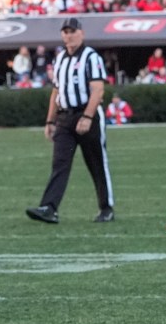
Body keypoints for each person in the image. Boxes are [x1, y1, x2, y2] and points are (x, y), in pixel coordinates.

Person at [26, 17, 115, 224]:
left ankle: (106, 207)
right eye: (65, 31)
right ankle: (49, 207)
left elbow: (98, 89)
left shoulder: (91, 57)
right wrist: (50, 121)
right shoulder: (59, 59)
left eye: (72, 31)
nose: (68, 35)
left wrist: (87, 116)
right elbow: (55, 92)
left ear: (81, 33)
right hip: (65, 118)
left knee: (97, 162)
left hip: (87, 115)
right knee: (60, 163)